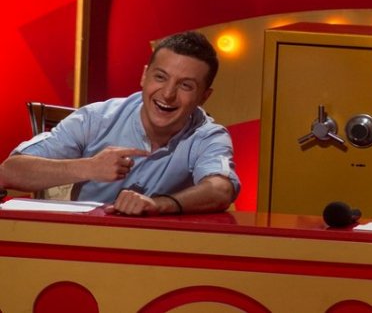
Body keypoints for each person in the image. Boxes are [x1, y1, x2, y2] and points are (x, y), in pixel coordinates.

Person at [0, 31, 239, 216]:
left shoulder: (208, 136)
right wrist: (88, 168)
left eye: (185, 85)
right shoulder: (96, 118)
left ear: (204, 96)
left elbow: (221, 189)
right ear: (144, 76)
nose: (168, 94)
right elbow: (9, 172)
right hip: (83, 244)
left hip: (159, 252)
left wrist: (158, 205)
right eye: (160, 77)